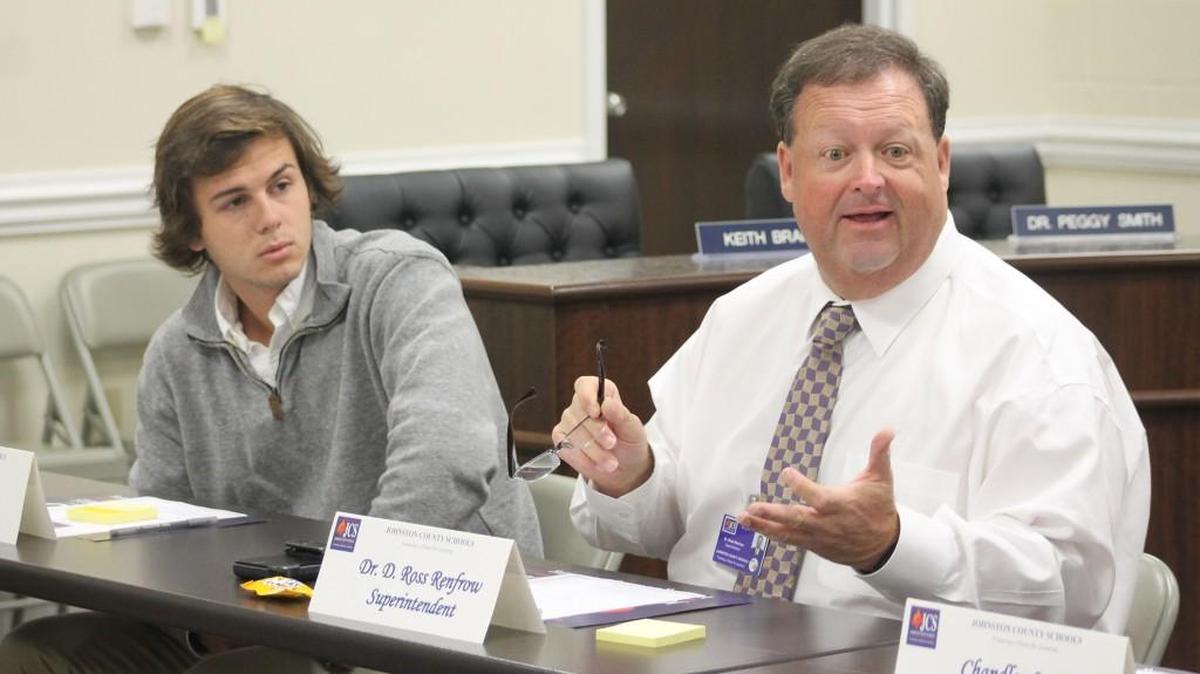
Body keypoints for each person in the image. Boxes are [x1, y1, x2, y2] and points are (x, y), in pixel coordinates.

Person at [556, 24, 1149, 632]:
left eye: (895, 151)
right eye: (836, 154)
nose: (869, 179)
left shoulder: (1038, 355)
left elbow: (1071, 587)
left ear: (940, 163)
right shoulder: (741, 319)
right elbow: (666, 521)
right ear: (788, 172)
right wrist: (632, 473)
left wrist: (891, 544)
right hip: (709, 650)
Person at [0, 84, 540, 672]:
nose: (270, 218)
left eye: (281, 186)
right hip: (263, 616)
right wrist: (200, 629)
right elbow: (166, 540)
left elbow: (447, 460)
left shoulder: (399, 281)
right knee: (36, 653)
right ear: (193, 231)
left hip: (427, 611)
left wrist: (341, 604)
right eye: (234, 202)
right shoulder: (175, 354)